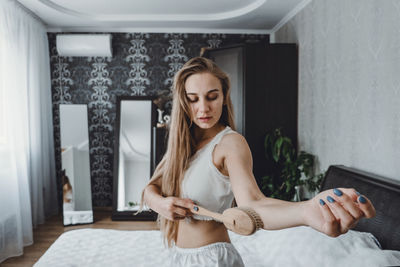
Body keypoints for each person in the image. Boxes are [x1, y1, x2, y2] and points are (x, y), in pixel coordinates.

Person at [139, 57, 376, 266]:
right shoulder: (183, 145)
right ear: (183, 102)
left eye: (212, 97)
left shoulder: (230, 143)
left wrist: (304, 211)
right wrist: (160, 204)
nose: (203, 108)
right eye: (193, 99)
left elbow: (253, 203)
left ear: (224, 97)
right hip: (179, 256)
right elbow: (151, 188)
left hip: (211, 259)